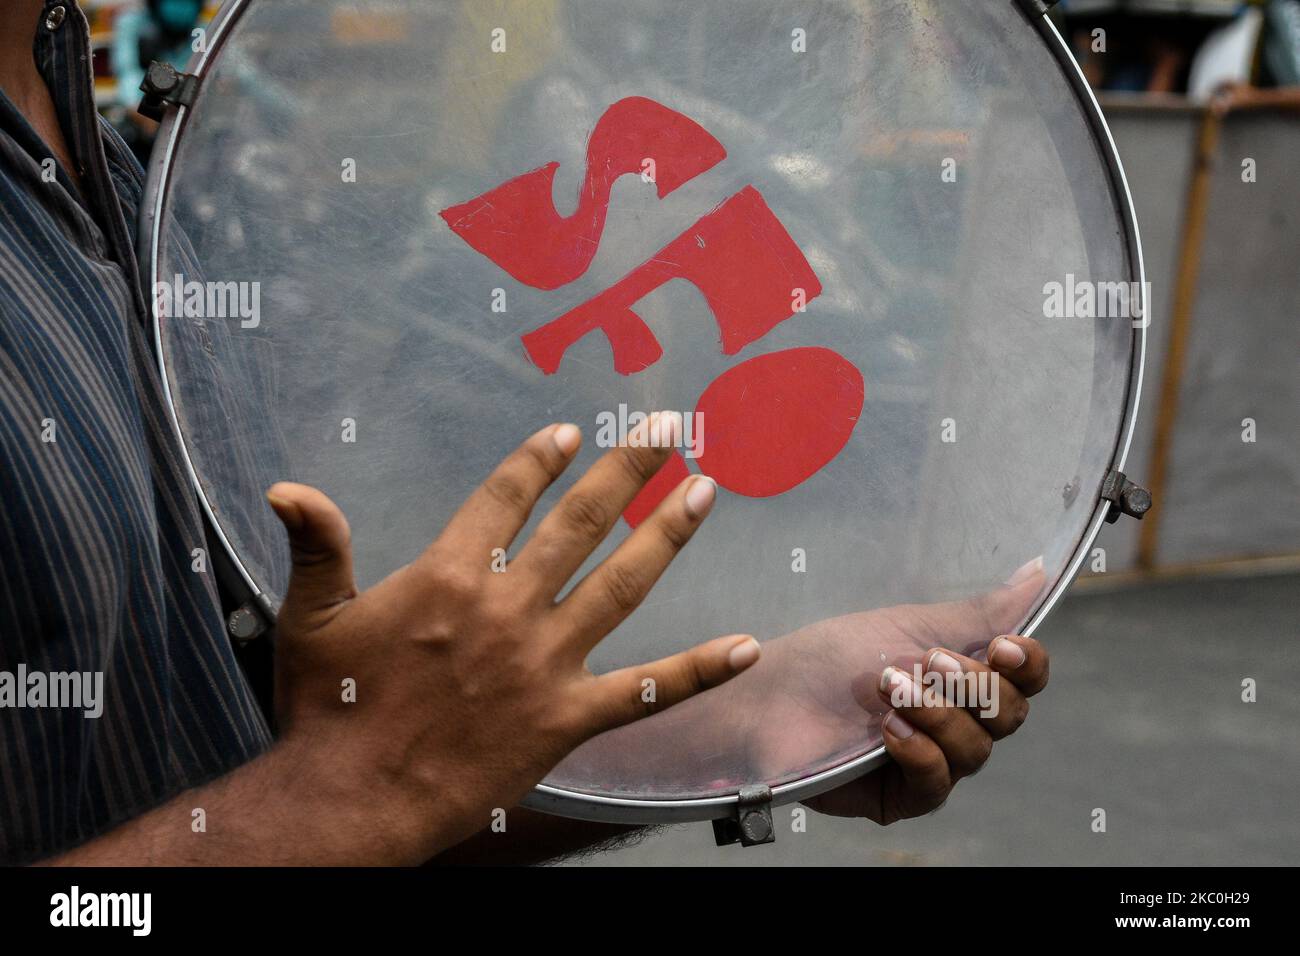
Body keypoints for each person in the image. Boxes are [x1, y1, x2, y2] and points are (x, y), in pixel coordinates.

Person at [0, 0, 1050, 866]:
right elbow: (340, 792)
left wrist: (749, 717)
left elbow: (308, 767)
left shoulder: (103, 157)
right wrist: (344, 795)